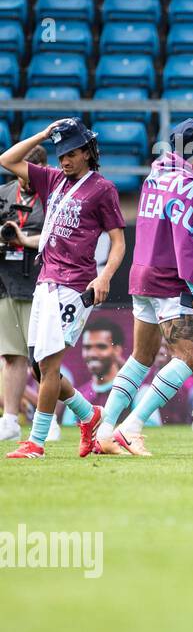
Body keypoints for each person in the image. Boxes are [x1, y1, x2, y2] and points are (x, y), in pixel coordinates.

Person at [1, 118, 126, 459]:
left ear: (88, 152)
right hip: (45, 282)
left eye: (71, 153)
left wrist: (104, 276)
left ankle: (36, 442)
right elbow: (7, 161)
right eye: (60, 153)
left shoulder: (103, 189)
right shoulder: (52, 178)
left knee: (49, 363)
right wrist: (43, 134)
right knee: (39, 367)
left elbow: (118, 242)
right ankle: (89, 415)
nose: (64, 160)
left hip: (75, 284)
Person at [96, 119, 193, 455]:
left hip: (142, 274)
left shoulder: (156, 173)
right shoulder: (190, 183)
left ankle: (105, 431)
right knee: (187, 358)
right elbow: (186, 241)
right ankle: (131, 427)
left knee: (141, 356)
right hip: (170, 279)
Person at [0, 146, 45, 441]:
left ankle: (47, 419)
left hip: (40, 283)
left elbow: (56, 236)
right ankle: (10, 421)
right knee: (12, 356)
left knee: (42, 358)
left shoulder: (54, 194)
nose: (24, 177)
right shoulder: (4, 193)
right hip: (5, 282)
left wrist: (24, 239)